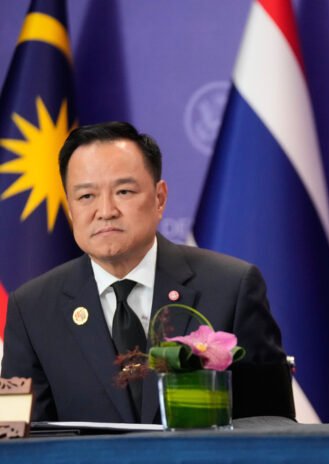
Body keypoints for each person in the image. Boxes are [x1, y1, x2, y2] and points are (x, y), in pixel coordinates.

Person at [1, 121, 295, 423]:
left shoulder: (231, 288)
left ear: (159, 198)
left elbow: (272, 423)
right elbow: (22, 436)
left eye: (124, 191)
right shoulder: (32, 309)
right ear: (70, 207)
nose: (106, 211)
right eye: (86, 196)